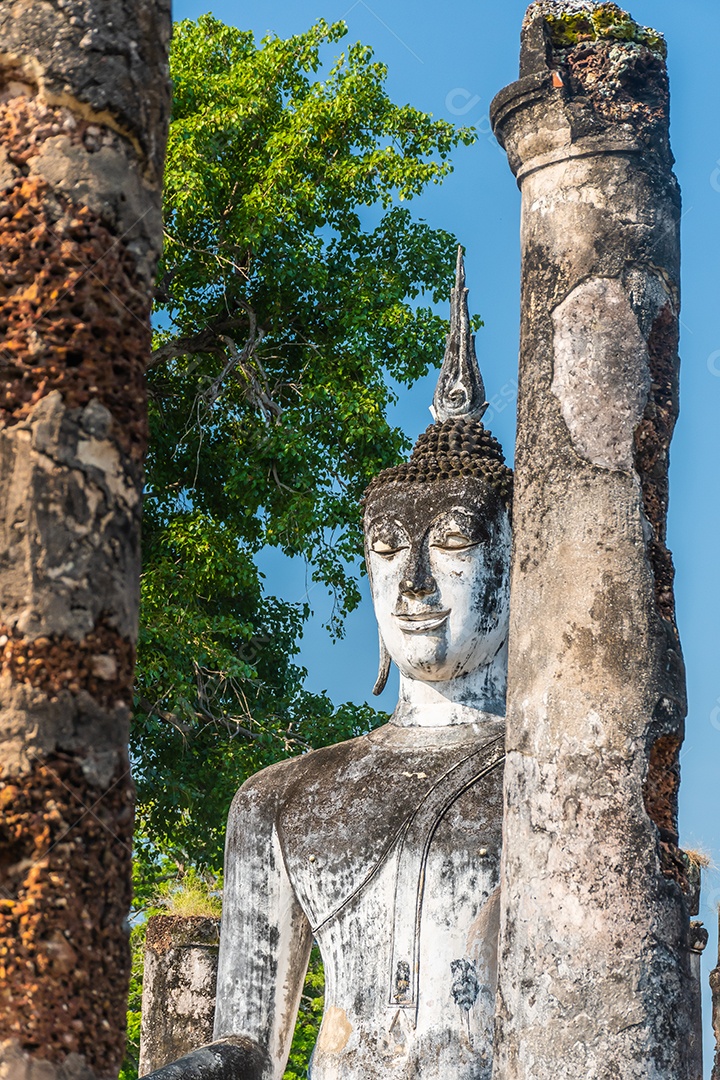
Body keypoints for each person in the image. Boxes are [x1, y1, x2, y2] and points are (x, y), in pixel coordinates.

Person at [144, 249, 513, 1080]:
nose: (414, 581)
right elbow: (246, 1045)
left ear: (519, 565)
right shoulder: (279, 799)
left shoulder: (558, 786)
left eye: (451, 544)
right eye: (388, 551)